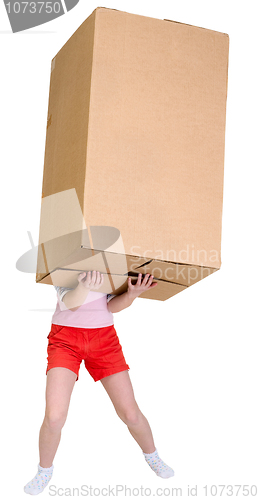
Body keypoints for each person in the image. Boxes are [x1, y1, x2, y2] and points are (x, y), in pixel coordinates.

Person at [24, 271, 174, 495]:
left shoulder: (113, 261)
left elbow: (111, 306)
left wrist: (132, 294)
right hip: (65, 339)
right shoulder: (66, 262)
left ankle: (152, 456)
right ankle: (44, 470)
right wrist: (84, 286)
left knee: (130, 413)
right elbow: (70, 303)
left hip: (103, 339)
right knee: (54, 417)